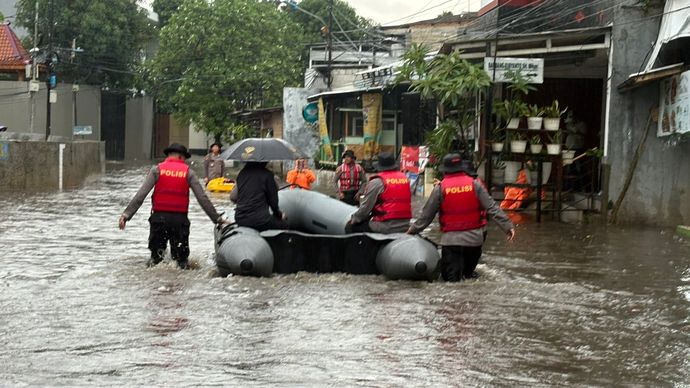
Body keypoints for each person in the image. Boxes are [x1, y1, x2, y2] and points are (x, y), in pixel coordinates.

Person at [407, 153, 516, 282]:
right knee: (468, 278)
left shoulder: (441, 188)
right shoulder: (475, 185)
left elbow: (426, 216)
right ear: (461, 167)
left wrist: (411, 231)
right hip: (474, 242)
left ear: (445, 170)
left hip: (452, 242)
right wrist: (508, 226)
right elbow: (492, 207)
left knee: (451, 283)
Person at [118, 143, 227, 269]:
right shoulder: (188, 173)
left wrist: (126, 215)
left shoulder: (157, 170)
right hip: (179, 221)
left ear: (168, 155)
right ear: (181, 157)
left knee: (156, 260)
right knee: (181, 263)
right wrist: (217, 219)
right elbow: (202, 198)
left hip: (159, 220)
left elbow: (141, 195)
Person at [346, 152, 411, 233]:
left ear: (379, 167)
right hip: (405, 224)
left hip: (386, 226)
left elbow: (365, 209)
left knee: (353, 228)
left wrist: (353, 219)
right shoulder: (405, 179)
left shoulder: (377, 182)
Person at [229, 161, 288, 232]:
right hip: (261, 221)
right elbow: (274, 204)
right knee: (285, 225)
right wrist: (280, 215)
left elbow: (233, 197)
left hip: (240, 219)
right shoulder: (268, 175)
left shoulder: (242, 174)